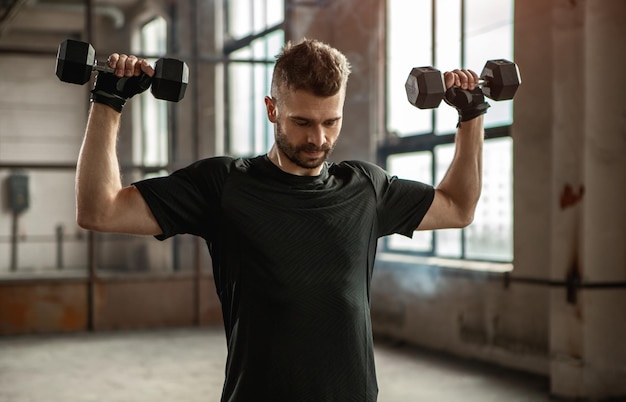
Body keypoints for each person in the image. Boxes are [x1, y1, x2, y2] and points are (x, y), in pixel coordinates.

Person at [76, 38, 486, 401]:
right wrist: (109, 101)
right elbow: (101, 209)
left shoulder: (365, 188)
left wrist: (472, 115)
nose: (318, 139)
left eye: (331, 122)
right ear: (273, 109)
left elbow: (458, 207)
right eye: (302, 122)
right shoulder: (224, 185)